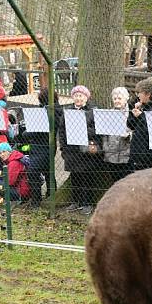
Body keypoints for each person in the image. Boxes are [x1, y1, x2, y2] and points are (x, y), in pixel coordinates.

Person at [59, 85, 100, 214]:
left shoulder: (93, 111)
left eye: (81, 95)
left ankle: (87, 203)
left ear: (86, 97)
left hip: (86, 150)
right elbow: (62, 131)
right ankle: (75, 201)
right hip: (71, 151)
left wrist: (82, 128)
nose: (78, 98)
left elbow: (97, 130)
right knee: (74, 177)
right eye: (76, 95)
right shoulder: (67, 111)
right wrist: (63, 148)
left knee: (87, 177)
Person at [128, 77, 152, 171]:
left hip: (150, 157)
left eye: (140, 93)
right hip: (140, 155)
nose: (138, 96)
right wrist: (135, 114)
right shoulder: (144, 106)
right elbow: (131, 125)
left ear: (148, 94)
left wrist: (141, 116)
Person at [102, 87, 133, 185]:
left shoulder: (132, 114)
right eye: (115, 99)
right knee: (114, 183)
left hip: (126, 155)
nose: (117, 101)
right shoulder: (109, 114)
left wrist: (129, 135)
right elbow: (104, 134)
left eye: (119, 98)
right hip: (111, 155)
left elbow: (137, 131)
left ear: (126, 98)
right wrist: (106, 148)